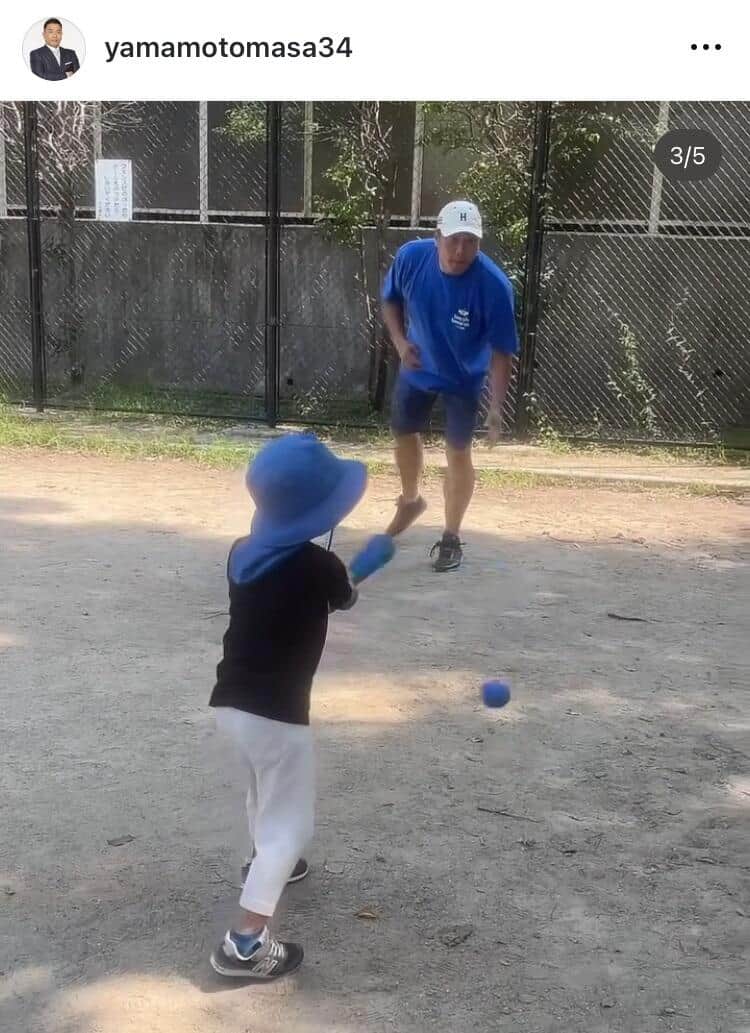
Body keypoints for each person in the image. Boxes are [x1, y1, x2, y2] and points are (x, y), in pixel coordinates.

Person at [208, 432, 367, 981]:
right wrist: (359, 567)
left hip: (230, 705)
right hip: (278, 715)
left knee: (262, 792)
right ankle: (244, 946)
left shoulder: (240, 552)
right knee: (288, 824)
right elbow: (343, 594)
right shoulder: (318, 568)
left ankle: (264, 864)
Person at [382, 200, 519, 571]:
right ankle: (411, 501)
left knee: (458, 451)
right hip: (419, 368)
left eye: (470, 242)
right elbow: (390, 300)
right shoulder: (411, 258)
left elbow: (502, 352)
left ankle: (451, 537)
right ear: (437, 236)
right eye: (454, 240)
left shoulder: (493, 286)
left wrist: (495, 409)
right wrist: (398, 341)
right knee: (403, 433)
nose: (461, 251)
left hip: (464, 378)